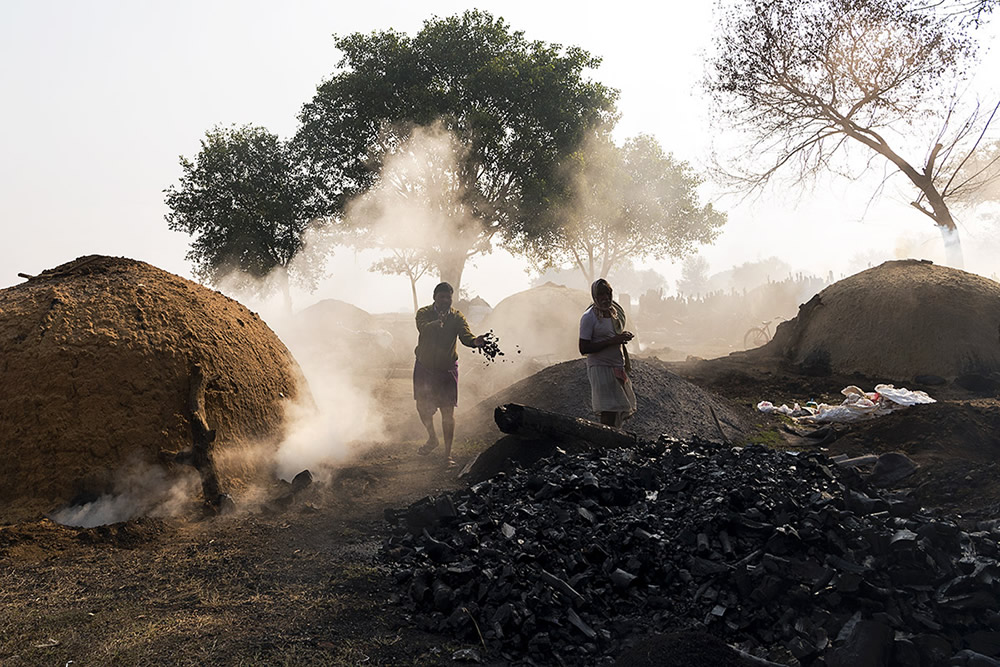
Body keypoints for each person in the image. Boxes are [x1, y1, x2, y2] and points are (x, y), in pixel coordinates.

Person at [413, 282, 486, 468]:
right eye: (441, 296)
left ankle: (447, 455)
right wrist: (436, 324)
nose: (445, 300)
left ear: (451, 299)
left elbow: (465, 336)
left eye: (448, 297)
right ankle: (432, 438)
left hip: (446, 370)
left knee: (448, 412)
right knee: (423, 408)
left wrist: (475, 341)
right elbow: (423, 328)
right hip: (425, 367)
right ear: (434, 297)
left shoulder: (457, 316)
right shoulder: (423, 313)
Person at [579, 278, 637, 427]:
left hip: (617, 366)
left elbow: (612, 335)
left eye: (608, 294)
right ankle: (606, 443)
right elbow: (584, 348)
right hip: (600, 368)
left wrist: (622, 337)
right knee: (608, 409)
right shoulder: (588, 317)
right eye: (601, 295)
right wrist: (612, 341)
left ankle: (615, 441)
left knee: (619, 408)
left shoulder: (614, 314)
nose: (606, 298)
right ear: (595, 297)